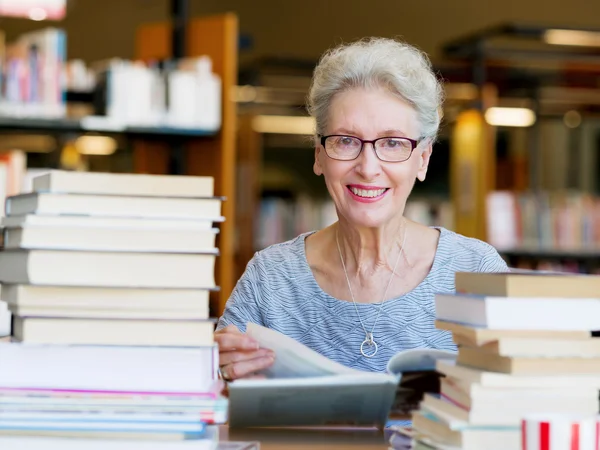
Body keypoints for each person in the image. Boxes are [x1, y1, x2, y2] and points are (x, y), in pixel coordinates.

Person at [215, 37, 508, 380]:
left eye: (393, 143)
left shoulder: (477, 272)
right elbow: (216, 399)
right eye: (345, 141)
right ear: (318, 155)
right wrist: (219, 372)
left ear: (423, 159)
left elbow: (520, 404)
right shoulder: (270, 278)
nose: (368, 167)